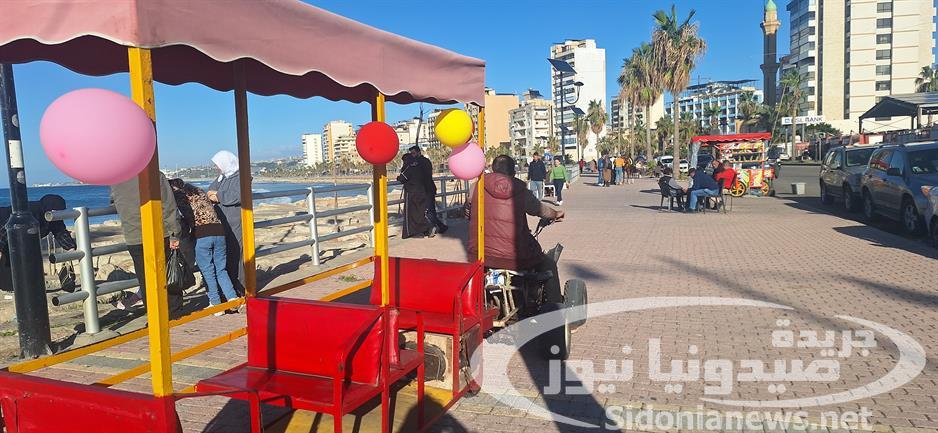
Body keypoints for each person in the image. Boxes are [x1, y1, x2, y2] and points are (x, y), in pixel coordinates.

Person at [467, 155, 565, 303]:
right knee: (548, 264)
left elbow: (466, 212)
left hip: (479, 254)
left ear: (493, 169)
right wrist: (556, 214)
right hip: (515, 256)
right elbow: (539, 210)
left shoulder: (475, 187)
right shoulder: (520, 190)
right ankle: (555, 307)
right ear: (513, 172)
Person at [111, 172, 184, 316]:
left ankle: (154, 313)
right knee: (167, 273)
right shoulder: (155, 174)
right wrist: (175, 233)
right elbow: (168, 205)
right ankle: (173, 312)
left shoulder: (116, 178)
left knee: (145, 280)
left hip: (133, 236)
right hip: (158, 233)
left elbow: (115, 200)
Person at [170, 179, 238, 316]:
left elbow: (182, 219)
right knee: (221, 269)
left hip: (202, 235)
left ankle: (216, 304)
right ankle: (233, 299)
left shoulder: (179, 197)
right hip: (219, 232)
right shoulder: (198, 191)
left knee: (207, 271)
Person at [0, 195, 76, 292]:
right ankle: (12, 288)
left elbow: (60, 231)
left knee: (23, 262)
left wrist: (70, 247)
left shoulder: (53, 218)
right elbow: (6, 229)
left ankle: (16, 288)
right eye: (56, 211)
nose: (57, 214)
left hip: (20, 240)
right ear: (49, 209)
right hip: (5, 225)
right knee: (9, 261)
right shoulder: (32, 212)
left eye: (60, 212)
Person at [208, 150, 246, 293]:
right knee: (226, 254)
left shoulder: (240, 177)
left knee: (237, 254)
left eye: (218, 164)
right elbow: (210, 192)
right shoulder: (223, 177)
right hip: (224, 222)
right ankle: (229, 289)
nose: (216, 167)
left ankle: (240, 288)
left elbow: (236, 196)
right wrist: (217, 195)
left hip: (236, 221)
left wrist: (218, 196)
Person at [411, 146, 447, 235]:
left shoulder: (420, 162)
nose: (412, 155)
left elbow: (422, 175)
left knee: (429, 211)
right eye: (411, 154)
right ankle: (440, 226)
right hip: (428, 189)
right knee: (430, 210)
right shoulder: (424, 161)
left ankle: (435, 226)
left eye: (413, 153)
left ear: (419, 152)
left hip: (426, 189)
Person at [398, 153, 435, 238]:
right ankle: (426, 228)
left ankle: (414, 232)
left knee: (411, 214)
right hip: (422, 192)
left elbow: (402, 178)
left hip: (411, 193)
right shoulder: (420, 167)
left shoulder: (409, 167)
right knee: (420, 213)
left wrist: (398, 177)